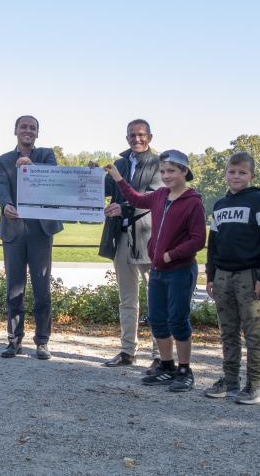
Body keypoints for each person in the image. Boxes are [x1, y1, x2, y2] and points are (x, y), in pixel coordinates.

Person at [105, 149, 206, 392]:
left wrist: (171, 255)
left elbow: (197, 240)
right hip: (159, 269)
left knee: (178, 321)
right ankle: (167, 366)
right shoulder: (160, 195)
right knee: (158, 320)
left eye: (172, 171)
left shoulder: (192, 201)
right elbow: (137, 199)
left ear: (184, 172)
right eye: (163, 171)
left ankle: (184, 370)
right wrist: (118, 177)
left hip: (180, 270)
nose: (166, 175)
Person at [203, 152, 260, 404]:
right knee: (228, 331)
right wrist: (210, 275)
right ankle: (230, 380)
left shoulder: (259, 200)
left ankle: (255, 386)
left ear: (251, 176)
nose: (236, 176)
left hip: (250, 275)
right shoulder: (220, 205)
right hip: (222, 275)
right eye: (232, 172)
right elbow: (213, 243)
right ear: (225, 174)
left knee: (253, 334)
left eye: (242, 172)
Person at [0, 115, 63, 360]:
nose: (28, 130)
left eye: (32, 128)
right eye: (23, 126)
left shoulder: (46, 155)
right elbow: (1, 186)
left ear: (37, 133)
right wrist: (5, 205)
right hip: (13, 229)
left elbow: (53, 180)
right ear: (15, 130)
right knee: (14, 288)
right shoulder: (3, 160)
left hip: (40, 231)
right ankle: (14, 340)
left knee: (42, 287)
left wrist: (32, 168)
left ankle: (42, 341)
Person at [99, 119, 162, 369]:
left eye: (141, 134)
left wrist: (123, 207)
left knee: (155, 297)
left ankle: (160, 355)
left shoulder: (159, 164)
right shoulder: (121, 163)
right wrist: (92, 174)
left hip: (147, 235)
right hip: (122, 235)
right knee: (127, 298)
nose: (137, 139)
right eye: (132, 135)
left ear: (150, 137)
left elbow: (154, 197)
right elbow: (103, 188)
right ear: (126, 138)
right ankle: (127, 351)